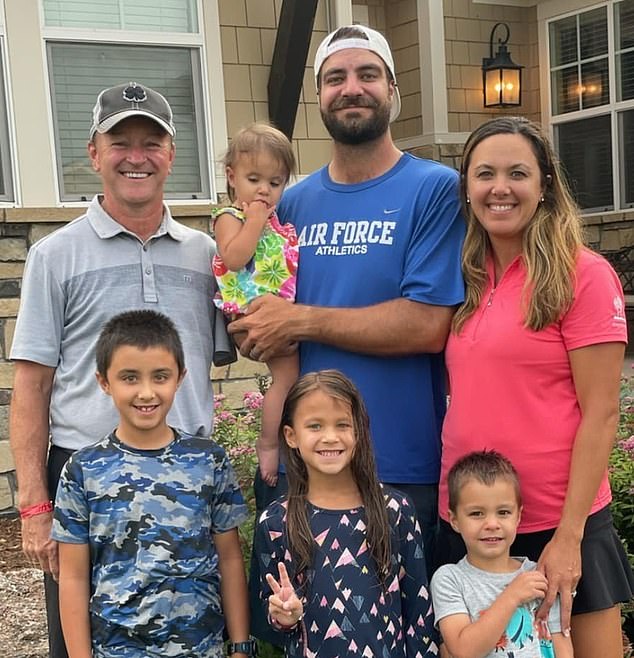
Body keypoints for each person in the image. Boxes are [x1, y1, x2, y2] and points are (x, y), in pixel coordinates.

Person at [9, 82, 235, 658]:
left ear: (171, 153)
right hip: (89, 485)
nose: (137, 156)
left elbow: (242, 342)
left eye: (151, 142)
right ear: (93, 153)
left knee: (190, 634)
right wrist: (35, 507)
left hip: (187, 484)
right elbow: (31, 386)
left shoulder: (203, 254)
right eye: (120, 143)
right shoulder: (54, 256)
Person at [230, 24, 465, 566]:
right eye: (335, 77)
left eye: (368, 74)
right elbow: (260, 314)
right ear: (320, 97)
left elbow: (427, 325)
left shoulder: (433, 189)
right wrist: (251, 327)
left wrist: (299, 321)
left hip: (400, 463)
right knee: (304, 634)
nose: (351, 87)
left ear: (392, 90)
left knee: (404, 636)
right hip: (304, 463)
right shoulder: (290, 203)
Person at [436, 116, 634, 658]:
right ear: (468, 189)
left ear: (545, 184)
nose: (500, 188)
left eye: (517, 173)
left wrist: (569, 536)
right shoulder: (463, 277)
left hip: (557, 523)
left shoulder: (584, 275)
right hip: (475, 522)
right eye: (485, 174)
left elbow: (602, 415)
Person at [51, 310, 254, 658]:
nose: (146, 392)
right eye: (130, 378)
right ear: (104, 382)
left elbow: (230, 558)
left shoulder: (209, 460)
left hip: (201, 648)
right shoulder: (82, 470)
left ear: (180, 378)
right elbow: (72, 577)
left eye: (160, 376)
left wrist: (240, 645)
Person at [254, 369, 439, 657]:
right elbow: (275, 615)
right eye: (315, 426)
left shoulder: (396, 510)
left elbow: (419, 615)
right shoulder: (276, 522)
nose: (330, 437)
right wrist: (284, 616)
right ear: (291, 436)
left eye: (342, 425)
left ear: (359, 431)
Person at [212, 121, 299, 488]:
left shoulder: (272, 220)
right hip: (251, 307)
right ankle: (268, 446)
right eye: (254, 179)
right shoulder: (229, 218)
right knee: (287, 376)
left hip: (276, 304)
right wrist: (256, 221)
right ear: (232, 177)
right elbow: (234, 257)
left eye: (275, 183)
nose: (264, 190)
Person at [431, 450, 573, 658]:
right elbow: (463, 650)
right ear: (454, 520)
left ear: (518, 517)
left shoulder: (540, 574)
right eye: (476, 514)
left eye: (503, 512)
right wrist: (512, 596)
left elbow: (561, 644)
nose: (491, 524)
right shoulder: (450, 579)